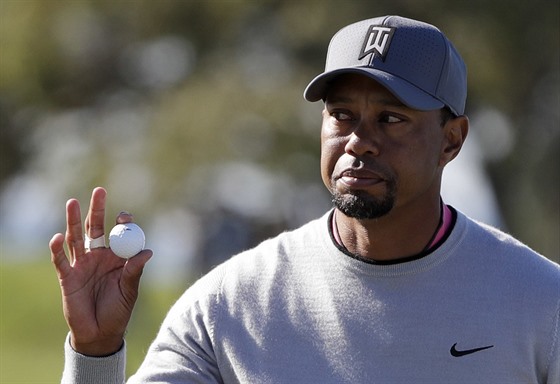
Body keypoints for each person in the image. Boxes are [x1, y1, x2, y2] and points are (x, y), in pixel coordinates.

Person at [50, 15, 560, 383]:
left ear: (452, 140)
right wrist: (96, 352)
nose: (358, 140)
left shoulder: (541, 302)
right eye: (341, 115)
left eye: (392, 118)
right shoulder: (229, 304)